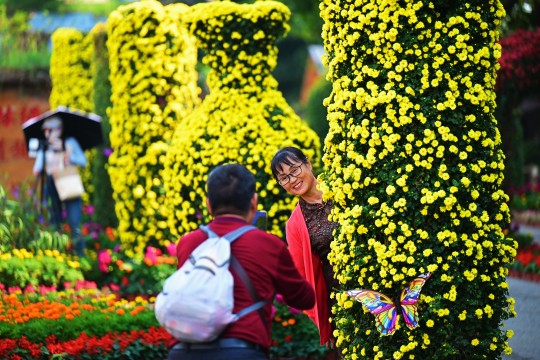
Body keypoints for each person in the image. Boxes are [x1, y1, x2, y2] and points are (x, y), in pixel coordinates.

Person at [168, 163, 316, 360]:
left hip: (184, 352)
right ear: (253, 203)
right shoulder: (267, 244)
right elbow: (303, 298)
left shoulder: (188, 243)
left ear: (209, 205)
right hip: (242, 351)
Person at [271, 147, 339, 348]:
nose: (292, 180)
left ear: (307, 163)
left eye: (294, 170)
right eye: (284, 178)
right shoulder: (295, 225)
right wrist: (326, 324)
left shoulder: (342, 188)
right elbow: (304, 278)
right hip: (342, 299)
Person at [33, 116, 87, 256]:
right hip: (51, 186)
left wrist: (69, 157)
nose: (47, 133)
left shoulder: (69, 142)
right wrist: (40, 166)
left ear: (59, 129)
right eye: (45, 130)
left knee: (74, 223)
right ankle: (58, 254)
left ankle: (79, 255)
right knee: (55, 223)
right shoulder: (44, 146)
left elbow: (83, 161)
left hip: (68, 184)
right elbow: (37, 166)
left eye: (50, 130)